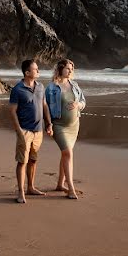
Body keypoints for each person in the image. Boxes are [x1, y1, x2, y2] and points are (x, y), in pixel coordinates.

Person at [8, 59, 53, 204]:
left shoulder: (40, 87)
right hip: (25, 131)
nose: (38, 71)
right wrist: (19, 130)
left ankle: (31, 187)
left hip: (38, 130)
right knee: (22, 161)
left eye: (37, 68)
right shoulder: (17, 89)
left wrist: (49, 123)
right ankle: (21, 192)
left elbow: (44, 105)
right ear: (27, 73)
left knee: (33, 160)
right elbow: (12, 111)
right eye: (35, 69)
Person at [45, 58, 86, 199]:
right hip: (59, 125)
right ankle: (71, 188)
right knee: (68, 153)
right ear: (60, 69)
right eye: (67, 68)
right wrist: (48, 124)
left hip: (74, 125)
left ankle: (60, 184)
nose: (70, 71)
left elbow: (83, 102)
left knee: (65, 154)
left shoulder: (74, 85)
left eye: (71, 69)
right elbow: (46, 108)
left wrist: (77, 105)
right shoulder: (51, 87)